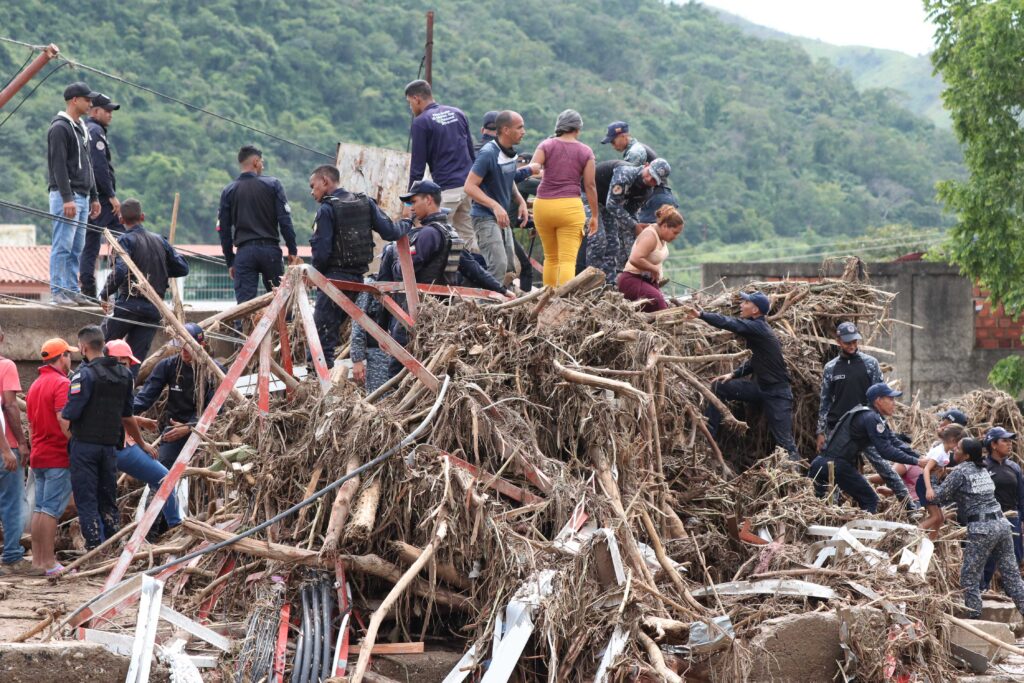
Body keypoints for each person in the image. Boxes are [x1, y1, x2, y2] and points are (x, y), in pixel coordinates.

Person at [376, 180, 506, 377]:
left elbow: (401, 271)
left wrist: (393, 253)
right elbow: (474, 270)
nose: (411, 207)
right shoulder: (449, 233)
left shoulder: (427, 234)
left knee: (397, 369)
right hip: (439, 318)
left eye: (414, 201)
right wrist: (502, 290)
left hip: (413, 314)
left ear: (428, 200)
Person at [62, 326, 154, 549]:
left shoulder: (83, 375)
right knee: (108, 499)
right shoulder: (125, 375)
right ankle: (113, 545)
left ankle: (95, 548)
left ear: (83, 347)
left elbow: (70, 413)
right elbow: (127, 415)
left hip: (84, 446)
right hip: (110, 448)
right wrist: (142, 443)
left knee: (87, 500)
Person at [307, 164, 405, 369]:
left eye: (313, 186)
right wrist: (409, 223)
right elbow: (390, 232)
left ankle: (318, 388)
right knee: (330, 335)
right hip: (357, 282)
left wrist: (314, 276)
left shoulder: (327, 209)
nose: (311, 192)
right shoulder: (365, 203)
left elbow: (322, 253)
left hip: (333, 282)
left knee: (320, 341)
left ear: (325, 181)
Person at [684, 291, 800, 463]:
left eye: (745, 302)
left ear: (755, 310)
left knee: (785, 442)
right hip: (759, 388)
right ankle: (707, 441)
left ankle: (795, 475)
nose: (741, 305)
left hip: (777, 394)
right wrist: (734, 374)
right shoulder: (757, 328)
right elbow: (756, 360)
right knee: (719, 387)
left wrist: (701, 315)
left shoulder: (758, 327)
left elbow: (729, 322)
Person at [816, 322, 915, 507]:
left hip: (865, 426)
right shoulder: (831, 368)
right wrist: (821, 431)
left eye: (855, 341)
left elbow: (881, 398)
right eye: (847, 343)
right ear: (838, 341)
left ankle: (909, 505)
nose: (852, 346)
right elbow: (825, 401)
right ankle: (832, 510)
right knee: (835, 468)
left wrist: (882, 427)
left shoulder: (870, 364)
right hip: (838, 429)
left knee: (884, 466)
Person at [927, 437, 1024, 619]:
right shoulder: (983, 468)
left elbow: (938, 498)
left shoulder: (961, 472)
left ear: (966, 455)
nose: (954, 450)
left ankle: (974, 617)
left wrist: (931, 478)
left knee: (969, 578)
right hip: (1002, 525)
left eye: (958, 449)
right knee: (1012, 577)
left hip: (982, 528)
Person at [98, 199, 190, 373]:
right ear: (143, 217)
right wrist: (160, 271)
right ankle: (128, 393)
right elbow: (183, 268)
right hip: (153, 308)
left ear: (121, 219)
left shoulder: (125, 240)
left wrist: (105, 294)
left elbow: (121, 270)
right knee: (135, 359)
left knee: (104, 348)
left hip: (129, 304)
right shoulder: (160, 241)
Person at [808, 383, 927, 512]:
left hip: (820, 464)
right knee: (871, 501)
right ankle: (866, 530)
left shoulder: (869, 415)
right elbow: (886, 451)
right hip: (836, 465)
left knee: (823, 508)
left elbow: (894, 441)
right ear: (878, 401)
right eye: (891, 399)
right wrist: (917, 462)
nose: (894, 403)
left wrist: (918, 456)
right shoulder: (870, 418)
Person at [105, 340, 182, 536]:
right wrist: (143, 443)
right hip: (121, 447)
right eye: (126, 363)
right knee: (165, 479)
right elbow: (124, 417)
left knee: (101, 497)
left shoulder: (90, 378)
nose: (130, 368)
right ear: (118, 360)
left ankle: (101, 542)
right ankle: (176, 527)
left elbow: (112, 414)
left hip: (96, 447)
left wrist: (138, 420)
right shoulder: (122, 381)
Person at [217, 145, 301, 304]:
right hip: (270, 251)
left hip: (244, 253)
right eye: (262, 162)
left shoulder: (229, 190)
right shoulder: (273, 184)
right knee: (280, 303)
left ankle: (244, 328)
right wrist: (292, 250)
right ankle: (282, 327)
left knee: (244, 308)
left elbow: (223, 230)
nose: (263, 166)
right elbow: (285, 220)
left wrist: (231, 261)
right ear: (255, 162)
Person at [133, 323, 221, 470]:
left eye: (189, 346)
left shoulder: (214, 371)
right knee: (161, 469)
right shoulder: (168, 365)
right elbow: (145, 397)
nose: (184, 350)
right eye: (181, 345)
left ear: (202, 345)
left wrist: (190, 427)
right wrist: (124, 413)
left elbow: (216, 409)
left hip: (205, 431)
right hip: (173, 430)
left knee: (205, 471)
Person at [528, 110, 599, 287]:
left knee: (550, 257)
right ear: (578, 128)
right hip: (569, 207)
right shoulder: (585, 151)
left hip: (543, 205)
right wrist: (595, 216)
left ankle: (547, 299)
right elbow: (590, 185)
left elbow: (533, 169)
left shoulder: (546, 145)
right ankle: (563, 303)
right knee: (567, 260)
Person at [404, 79, 476, 251]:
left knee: (438, 237)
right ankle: (483, 273)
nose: (410, 108)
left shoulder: (421, 122)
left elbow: (417, 168)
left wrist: (408, 203)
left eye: (409, 103)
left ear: (416, 99)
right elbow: (471, 153)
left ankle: (440, 278)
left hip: (447, 190)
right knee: (467, 238)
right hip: (468, 187)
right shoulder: (457, 113)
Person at [48, 82, 101, 305]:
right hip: (67, 196)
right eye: (87, 100)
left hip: (83, 194)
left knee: (77, 247)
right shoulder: (60, 128)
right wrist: (66, 198)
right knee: (62, 244)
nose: (90, 103)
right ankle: (58, 290)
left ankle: (71, 289)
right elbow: (58, 165)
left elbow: (88, 164)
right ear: (74, 100)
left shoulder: (81, 128)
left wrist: (95, 195)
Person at [26, 338, 76, 576]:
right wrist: (74, 445)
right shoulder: (61, 383)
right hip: (57, 454)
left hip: (39, 454)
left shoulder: (36, 384)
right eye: (69, 354)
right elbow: (63, 418)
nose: (71, 359)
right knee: (51, 510)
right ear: (62, 356)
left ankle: (38, 560)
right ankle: (48, 562)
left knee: (41, 508)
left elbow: (32, 422)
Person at [464, 110, 530, 282]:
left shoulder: (509, 153)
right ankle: (484, 306)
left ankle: (496, 302)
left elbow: (508, 178)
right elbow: (469, 186)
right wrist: (495, 206)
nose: (524, 131)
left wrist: (520, 200)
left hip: (501, 218)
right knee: (498, 266)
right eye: (520, 127)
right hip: (485, 217)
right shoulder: (488, 153)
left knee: (510, 268)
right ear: (506, 130)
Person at [79, 93, 124, 299]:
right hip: (101, 198)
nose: (110, 115)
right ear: (95, 111)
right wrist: (111, 195)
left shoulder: (88, 129)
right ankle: (121, 282)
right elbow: (99, 168)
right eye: (107, 111)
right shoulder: (95, 131)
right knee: (122, 239)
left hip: (91, 195)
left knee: (91, 242)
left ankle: (88, 288)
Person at [602, 159, 672, 281]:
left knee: (631, 240)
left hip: (616, 207)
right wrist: (634, 226)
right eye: (650, 173)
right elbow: (611, 204)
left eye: (654, 180)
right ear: (646, 165)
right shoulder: (626, 174)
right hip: (595, 198)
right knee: (602, 241)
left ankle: (628, 276)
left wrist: (638, 229)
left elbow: (631, 211)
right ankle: (606, 282)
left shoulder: (647, 190)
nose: (650, 179)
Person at [616, 205, 684, 312]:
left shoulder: (662, 236)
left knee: (664, 307)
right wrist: (653, 269)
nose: (675, 237)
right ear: (665, 226)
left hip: (647, 281)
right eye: (675, 232)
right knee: (659, 305)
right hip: (632, 280)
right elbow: (634, 258)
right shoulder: (650, 235)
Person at [982, 427, 1024, 587]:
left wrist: (1022, 521)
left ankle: (1015, 597)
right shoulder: (983, 467)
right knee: (988, 561)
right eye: (1004, 441)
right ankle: (983, 593)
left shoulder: (1014, 467)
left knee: (1015, 559)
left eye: (1010, 441)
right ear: (993, 444)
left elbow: (1021, 496)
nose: (1009, 444)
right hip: (989, 519)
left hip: (1012, 518)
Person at [920, 424, 966, 539]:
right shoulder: (939, 452)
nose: (958, 448)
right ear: (953, 440)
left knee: (940, 518)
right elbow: (926, 469)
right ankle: (912, 535)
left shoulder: (946, 452)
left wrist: (945, 471)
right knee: (935, 517)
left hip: (934, 482)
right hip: (926, 483)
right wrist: (929, 488)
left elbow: (942, 465)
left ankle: (931, 541)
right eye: (959, 444)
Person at [350, 276, 393, 394]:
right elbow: (359, 320)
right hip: (378, 355)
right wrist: (357, 359)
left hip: (403, 356)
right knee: (379, 400)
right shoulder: (371, 285)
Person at [0, 403, 27, 575]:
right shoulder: (7, 374)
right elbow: (10, 405)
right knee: (13, 504)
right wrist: (7, 449)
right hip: (5, 450)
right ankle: (12, 557)